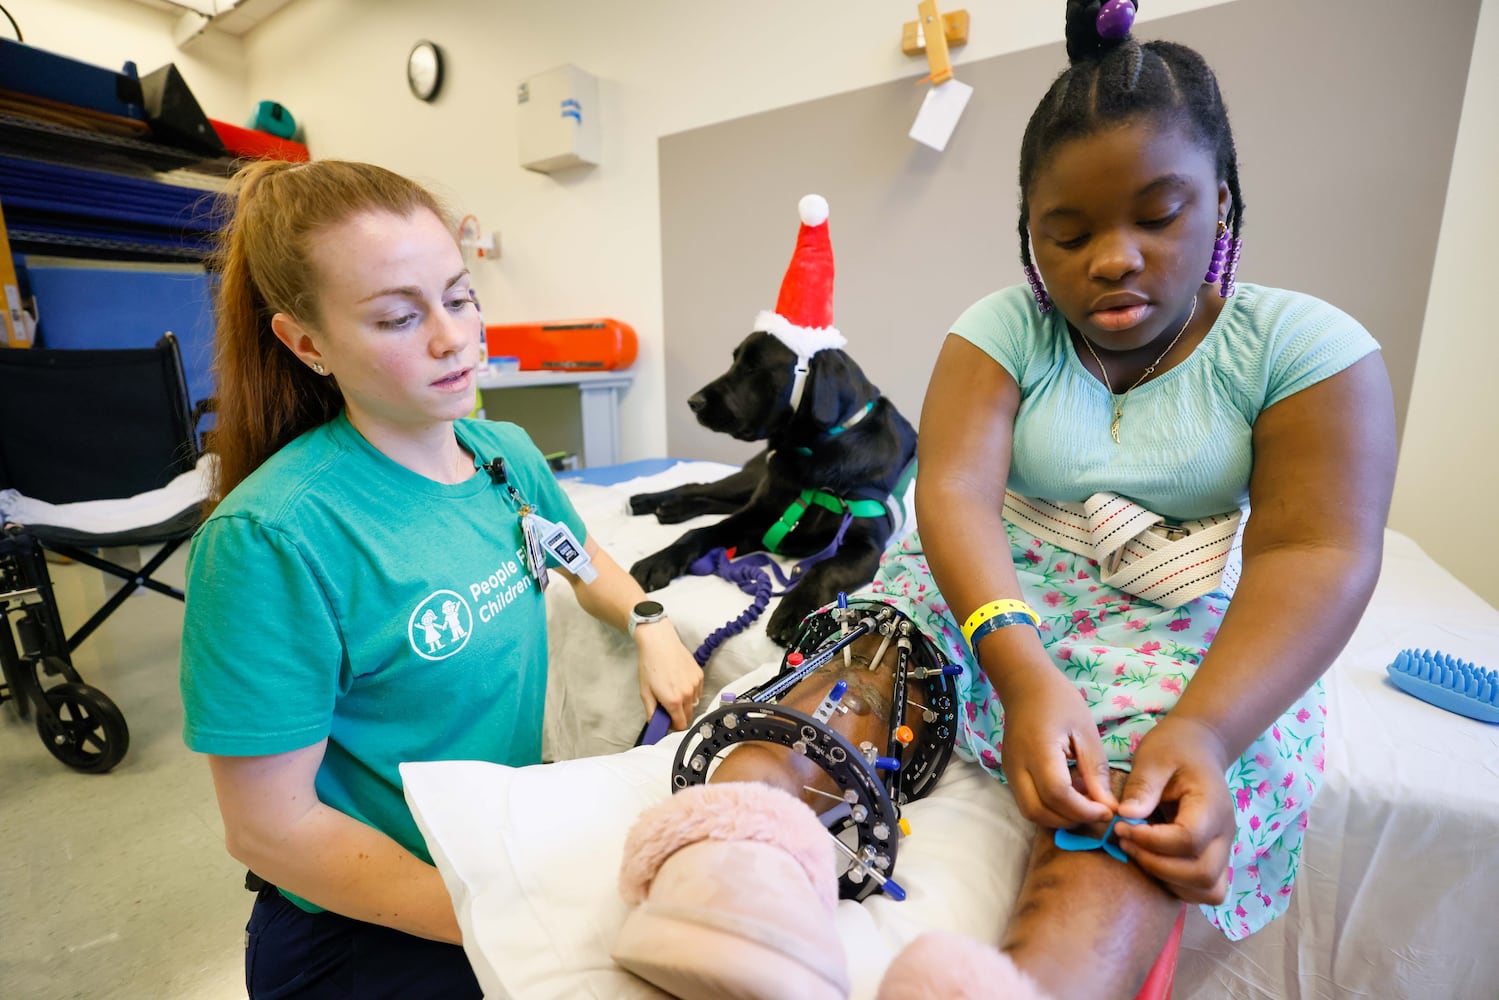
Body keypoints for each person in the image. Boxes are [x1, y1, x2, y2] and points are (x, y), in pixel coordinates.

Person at [612, 3, 1396, 999]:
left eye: (1157, 215)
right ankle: (731, 875)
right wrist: (1019, 670)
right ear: (1026, 238)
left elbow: (1313, 552)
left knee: (1134, 798)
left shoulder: (1301, 346)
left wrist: (1206, 731)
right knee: (860, 661)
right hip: (985, 588)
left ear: (1223, 203)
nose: (1110, 257)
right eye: (1064, 234)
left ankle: (1037, 981)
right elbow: (951, 494)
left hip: (1166, 619)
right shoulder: (1002, 330)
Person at [178, 159, 704, 1000]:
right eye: (397, 317)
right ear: (306, 342)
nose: (452, 338)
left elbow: (580, 561)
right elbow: (270, 830)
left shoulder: (506, 458)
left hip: (494, 856)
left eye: (459, 298)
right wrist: (505, 916)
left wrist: (649, 622)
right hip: (367, 923)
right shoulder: (272, 539)